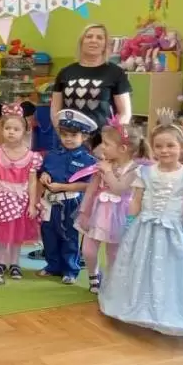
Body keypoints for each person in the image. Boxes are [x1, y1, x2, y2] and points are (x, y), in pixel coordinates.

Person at [99, 116, 183, 336]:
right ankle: (139, 306)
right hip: (144, 228)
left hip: (174, 233)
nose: (164, 151)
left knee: (171, 269)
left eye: (170, 146)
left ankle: (166, 309)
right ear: (152, 148)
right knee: (140, 267)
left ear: (182, 147)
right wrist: (129, 222)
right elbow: (136, 200)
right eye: (159, 146)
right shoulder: (145, 172)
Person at [76, 119, 148, 294]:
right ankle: (94, 275)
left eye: (107, 144)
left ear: (122, 149)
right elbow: (92, 189)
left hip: (120, 214)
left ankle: (112, 282)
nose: (102, 147)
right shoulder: (103, 163)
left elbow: (119, 188)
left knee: (114, 253)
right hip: (98, 212)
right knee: (88, 250)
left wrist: (107, 171)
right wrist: (84, 211)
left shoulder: (134, 169)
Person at [0, 102, 41, 281]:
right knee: (1, 233)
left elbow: (32, 182)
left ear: (25, 131)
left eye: (16, 129)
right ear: (2, 129)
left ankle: (15, 263)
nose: (11, 132)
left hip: (20, 200)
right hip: (0, 198)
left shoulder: (31, 156)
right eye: (8, 128)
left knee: (16, 234)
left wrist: (32, 204)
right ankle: (1, 261)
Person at [37, 110, 97, 285]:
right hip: (49, 201)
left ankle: (70, 270)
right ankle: (53, 266)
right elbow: (43, 171)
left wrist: (64, 187)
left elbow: (89, 185)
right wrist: (44, 176)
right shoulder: (52, 154)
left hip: (71, 202)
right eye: (64, 135)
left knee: (69, 236)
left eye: (73, 135)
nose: (68, 139)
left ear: (84, 136)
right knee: (48, 234)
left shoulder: (89, 160)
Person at [50, 23, 133, 149]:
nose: (93, 40)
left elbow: (125, 113)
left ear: (105, 44)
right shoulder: (65, 72)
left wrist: (108, 141)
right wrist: (64, 136)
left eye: (99, 37)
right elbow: (55, 110)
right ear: (81, 42)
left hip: (102, 144)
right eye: (89, 36)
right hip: (69, 141)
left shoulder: (116, 73)